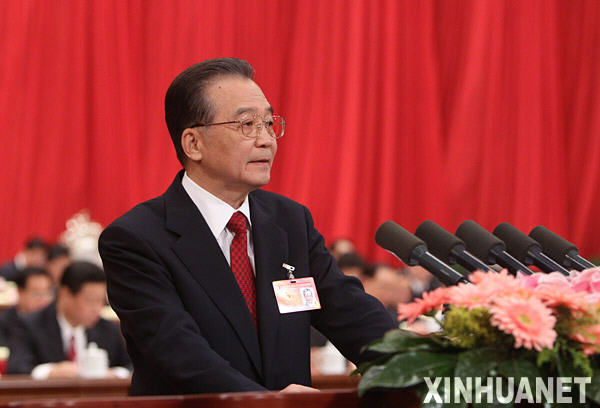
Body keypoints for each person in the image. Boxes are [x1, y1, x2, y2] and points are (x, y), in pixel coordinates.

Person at [98, 58, 394, 396]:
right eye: (247, 124)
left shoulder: (290, 222)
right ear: (193, 144)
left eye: (269, 123)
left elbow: (350, 313)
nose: (266, 140)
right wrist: (268, 404)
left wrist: (423, 366)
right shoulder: (136, 239)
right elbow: (178, 353)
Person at [7, 261, 130, 378]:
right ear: (65, 294)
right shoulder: (29, 325)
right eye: (90, 300)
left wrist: (111, 374)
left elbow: (131, 366)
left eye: (101, 301)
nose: (97, 309)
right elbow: (17, 368)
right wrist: (52, 371)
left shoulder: (107, 329)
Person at [0, 267, 53, 346]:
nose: (43, 300)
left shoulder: (53, 322)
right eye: (36, 293)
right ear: (19, 292)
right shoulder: (4, 323)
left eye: (47, 293)